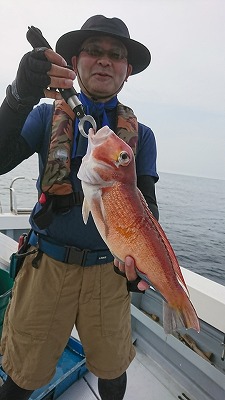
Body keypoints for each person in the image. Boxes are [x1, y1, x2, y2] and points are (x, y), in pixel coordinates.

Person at [0, 15, 159, 400]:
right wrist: (19, 96)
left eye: (115, 55)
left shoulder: (142, 137)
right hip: (46, 266)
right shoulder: (44, 115)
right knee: (22, 377)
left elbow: (147, 211)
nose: (105, 60)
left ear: (127, 71)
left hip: (108, 272)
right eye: (94, 51)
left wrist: (136, 268)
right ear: (74, 62)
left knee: (113, 369)